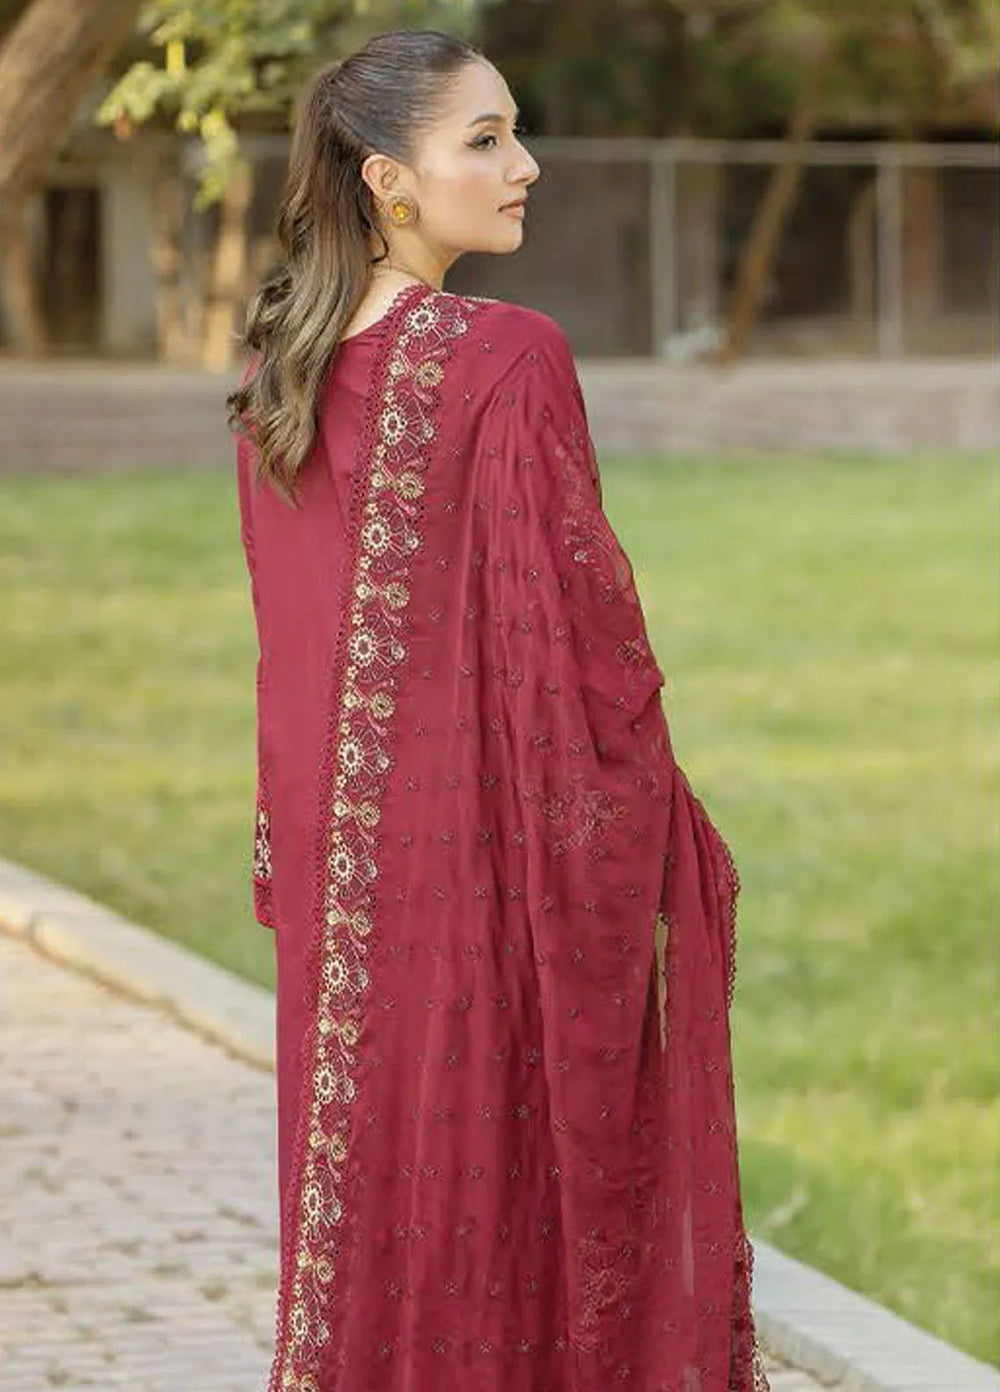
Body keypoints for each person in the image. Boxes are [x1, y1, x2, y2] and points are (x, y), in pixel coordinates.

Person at [228, 27, 770, 1392]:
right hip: (482, 876)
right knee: (503, 1210)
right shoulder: (506, 357)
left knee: (378, 1217)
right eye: (484, 140)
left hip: (346, 890)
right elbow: (583, 653)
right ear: (388, 181)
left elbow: (291, 669)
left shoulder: (277, 380)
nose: (525, 165)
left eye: (515, 132)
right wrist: (656, 834)